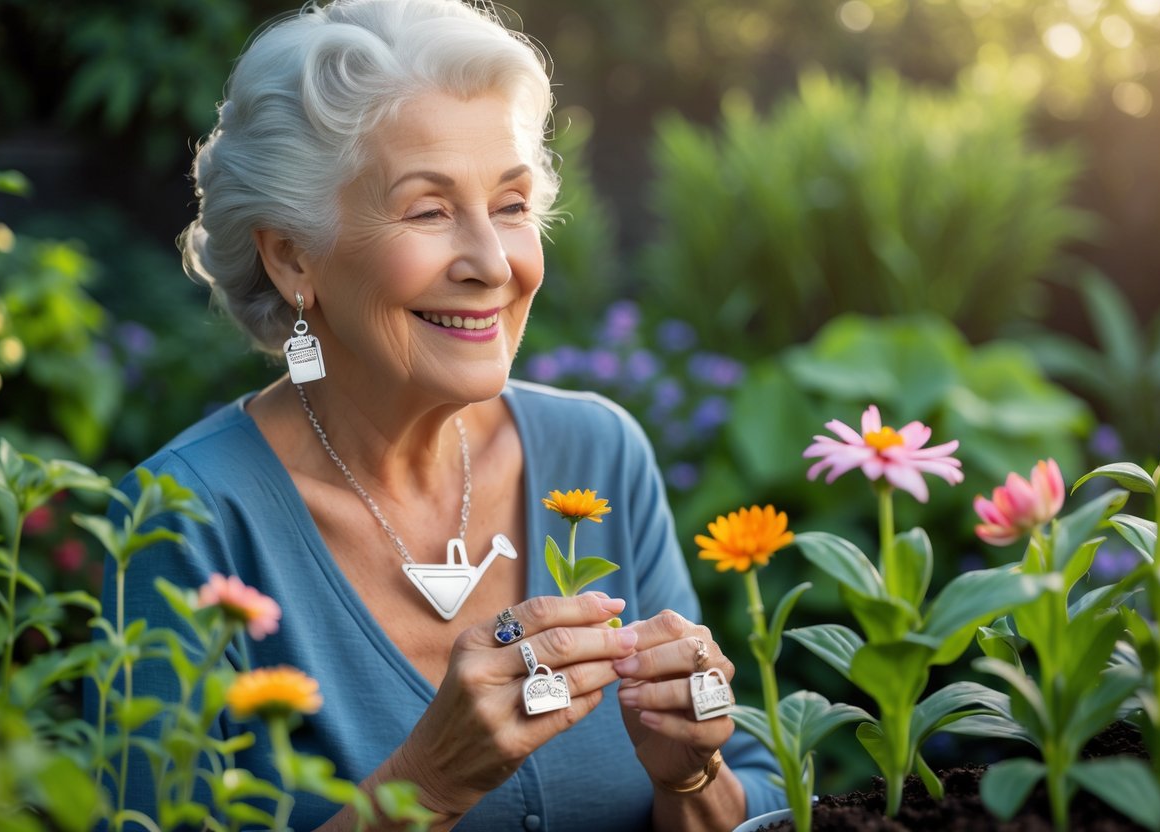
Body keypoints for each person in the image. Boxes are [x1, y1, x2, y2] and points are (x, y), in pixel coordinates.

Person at [99, 1, 784, 829]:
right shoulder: (181, 522)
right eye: (427, 210)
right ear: (292, 256)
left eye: (511, 205)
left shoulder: (598, 453)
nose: (493, 264)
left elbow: (749, 794)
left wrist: (691, 776)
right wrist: (424, 788)